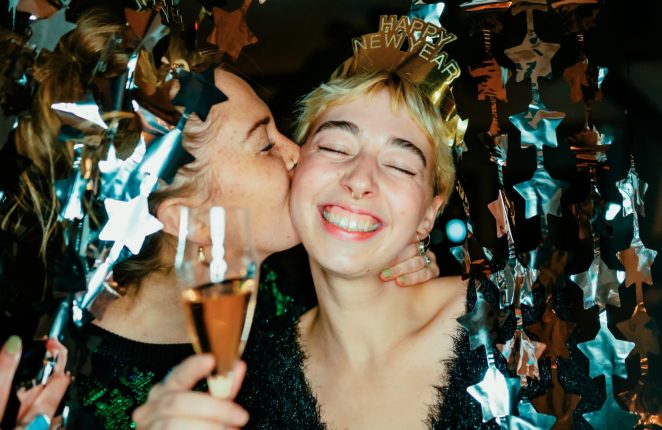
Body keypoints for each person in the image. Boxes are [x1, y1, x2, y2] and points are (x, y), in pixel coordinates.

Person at [0, 8, 439, 429]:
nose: (296, 153)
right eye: (265, 145)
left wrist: (389, 273)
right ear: (190, 220)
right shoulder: (59, 394)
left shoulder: (279, 288)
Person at [133, 71, 493, 428]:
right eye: (334, 148)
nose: (359, 180)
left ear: (428, 214)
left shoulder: (502, 326)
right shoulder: (252, 372)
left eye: (399, 166)